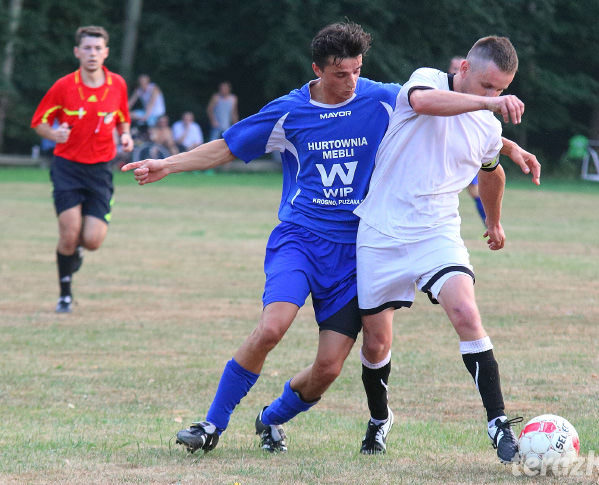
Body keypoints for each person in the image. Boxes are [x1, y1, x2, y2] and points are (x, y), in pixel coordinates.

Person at [122, 21, 400, 454]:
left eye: (357, 71)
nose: (351, 82)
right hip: (300, 239)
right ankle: (211, 425)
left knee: (327, 368)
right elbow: (228, 146)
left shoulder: (381, 99)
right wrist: (168, 164)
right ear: (317, 69)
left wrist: (501, 144)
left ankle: (271, 418)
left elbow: (435, 108)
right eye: (341, 74)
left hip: (356, 253)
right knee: (271, 328)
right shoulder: (290, 111)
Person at [353, 36, 540, 463]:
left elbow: (491, 172)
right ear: (463, 69)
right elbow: (424, 104)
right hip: (381, 230)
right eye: (487, 86)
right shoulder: (427, 81)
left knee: (466, 312)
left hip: (436, 231)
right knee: (376, 343)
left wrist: (493, 221)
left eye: (501, 89)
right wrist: (489, 106)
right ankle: (380, 420)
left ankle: (498, 425)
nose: (494, 96)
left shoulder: (488, 125)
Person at [30, 25, 134, 313]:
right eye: (87, 48)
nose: (92, 53)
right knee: (69, 231)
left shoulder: (118, 85)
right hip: (67, 168)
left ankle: (76, 251)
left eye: (98, 48)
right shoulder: (63, 86)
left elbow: (122, 117)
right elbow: (38, 122)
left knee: (92, 240)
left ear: (106, 53)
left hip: (100, 169)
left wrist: (125, 134)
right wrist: (54, 135)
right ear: (77, 52)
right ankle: (65, 294)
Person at [450, 55, 487, 225]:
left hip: (461, 152)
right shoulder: (440, 91)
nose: (456, 70)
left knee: (475, 191)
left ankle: (488, 223)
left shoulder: (471, 96)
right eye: (453, 67)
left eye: (460, 67)